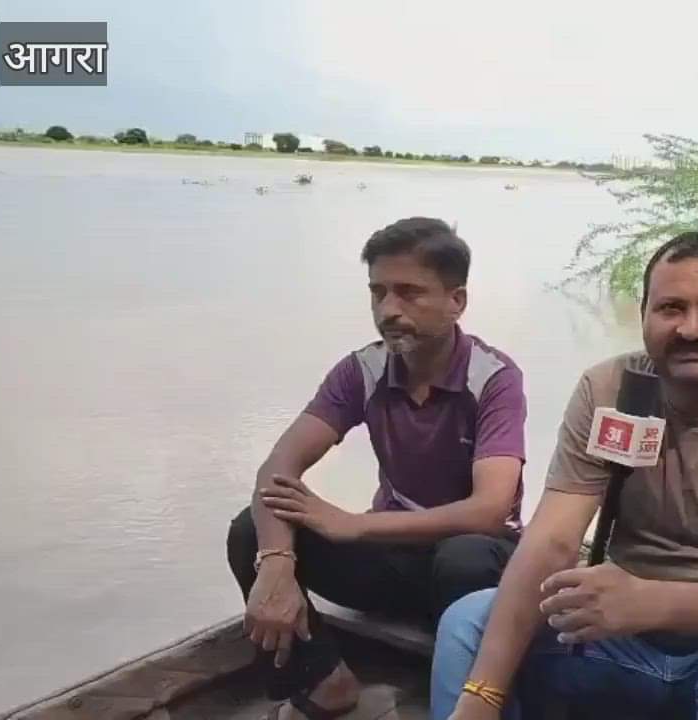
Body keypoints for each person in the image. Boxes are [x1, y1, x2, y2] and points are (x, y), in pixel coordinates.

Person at [430, 231, 698, 720]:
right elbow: (551, 542)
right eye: (671, 308)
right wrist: (483, 694)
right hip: (618, 639)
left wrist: (653, 602)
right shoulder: (607, 389)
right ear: (643, 314)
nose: (691, 328)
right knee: (468, 623)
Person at [226, 217, 527, 720]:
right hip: (392, 558)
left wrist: (355, 524)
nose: (389, 310)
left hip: (471, 567)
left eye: (409, 293)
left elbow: (490, 510)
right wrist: (276, 561)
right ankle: (324, 683)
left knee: (465, 557)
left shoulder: (493, 378)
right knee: (248, 530)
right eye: (379, 293)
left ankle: (460, 689)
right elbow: (276, 470)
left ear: (457, 301)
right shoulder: (362, 370)